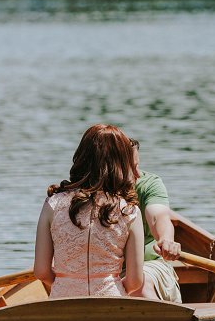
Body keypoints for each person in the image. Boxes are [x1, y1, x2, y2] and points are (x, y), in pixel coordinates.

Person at [34, 124, 145, 298]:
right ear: (122, 162)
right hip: (110, 301)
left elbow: (41, 271)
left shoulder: (53, 204)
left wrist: (65, 283)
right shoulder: (129, 211)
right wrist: (113, 286)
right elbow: (135, 280)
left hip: (63, 301)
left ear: (82, 157)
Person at [128, 137, 184, 303]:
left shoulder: (149, 184)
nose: (138, 174)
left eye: (137, 165)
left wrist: (166, 240)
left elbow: (158, 217)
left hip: (150, 264)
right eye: (131, 168)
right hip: (103, 270)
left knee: (139, 286)